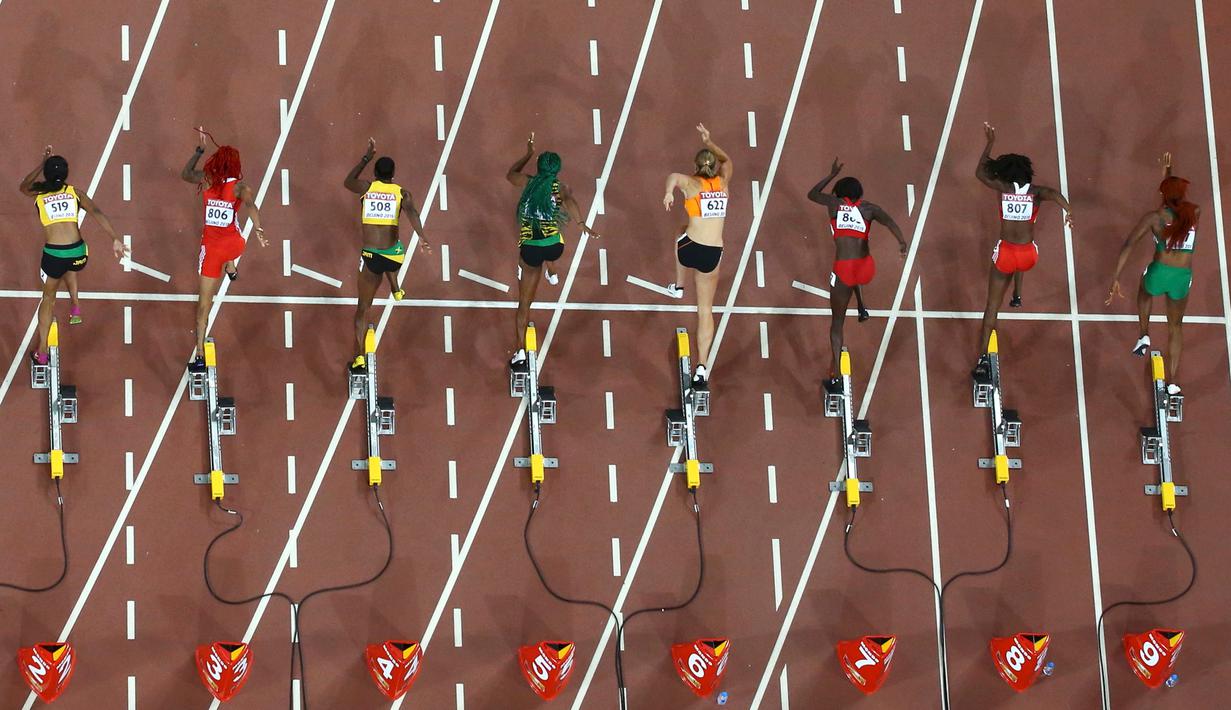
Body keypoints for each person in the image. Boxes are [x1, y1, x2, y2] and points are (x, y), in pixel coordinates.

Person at [972, 122, 1073, 378]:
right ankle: (1017, 295)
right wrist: (1069, 211)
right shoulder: (1037, 193)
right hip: (1028, 255)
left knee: (991, 308)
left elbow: (980, 173)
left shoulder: (1003, 188)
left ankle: (982, 359)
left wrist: (990, 143)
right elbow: (1054, 193)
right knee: (1021, 260)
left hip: (1006, 253)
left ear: (1006, 175)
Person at [20, 146, 127, 363]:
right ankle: (75, 306)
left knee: (48, 298)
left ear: (47, 174)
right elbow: (97, 212)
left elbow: (23, 186)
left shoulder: (39, 193)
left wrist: (42, 163)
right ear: (66, 174)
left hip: (54, 255)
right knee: (71, 266)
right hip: (79, 253)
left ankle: (41, 352)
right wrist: (115, 238)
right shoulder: (75, 193)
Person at [806, 158, 908, 381]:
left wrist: (831, 175)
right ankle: (862, 306)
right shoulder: (870, 209)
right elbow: (891, 223)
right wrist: (902, 243)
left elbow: (812, 194)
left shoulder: (834, 205)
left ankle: (836, 375)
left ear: (839, 193)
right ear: (859, 194)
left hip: (844, 270)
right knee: (860, 259)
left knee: (837, 324)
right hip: (866, 268)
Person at [1106, 152, 1198, 395]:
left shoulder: (1154, 219)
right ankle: (1174, 382)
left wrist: (1115, 277)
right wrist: (1168, 173)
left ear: (1162, 196)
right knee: (1175, 327)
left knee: (1144, 289)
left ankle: (1144, 334)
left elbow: (1128, 245)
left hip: (1159, 273)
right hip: (1181, 278)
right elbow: (1175, 199)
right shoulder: (1194, 214)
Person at [506, 133, 600, 367]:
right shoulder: (560, 188)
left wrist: (527, 153)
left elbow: (510, 174)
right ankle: (553, 271)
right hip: (554, 247)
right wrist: (581, 224)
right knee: (556, 227)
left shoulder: (527, 183)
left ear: (538, 168)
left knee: (524, 304)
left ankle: (519, 352)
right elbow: (570, 202)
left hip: (530, 251)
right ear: (558, 170)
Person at [343, 138, 433, 372]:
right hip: (394, 255)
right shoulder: (402, 193)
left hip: (371, 256)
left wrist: (366, 157)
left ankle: (360, 357)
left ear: (375, 172)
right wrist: (422, 237)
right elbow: (413, 214)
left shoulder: (367, 187)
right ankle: (396, 288)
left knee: (363, 308)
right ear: (393, 174)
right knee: (394, 253)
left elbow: (348, 182)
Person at [181, 128, 268, 369]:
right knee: (234, 235)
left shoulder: (207, 180)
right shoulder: (241, 187)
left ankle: (199, 353)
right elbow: (252, 207)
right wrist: (259, 230)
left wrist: (198, 152)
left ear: (216, 163)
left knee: (204, 304)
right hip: (235, 244)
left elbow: (185, 174)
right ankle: (231, 266)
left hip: (212, 251)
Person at [662, 123, 732, 387]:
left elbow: (673, 176)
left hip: (689, 249)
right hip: (712, 255)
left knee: (680, 235)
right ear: (715, 167)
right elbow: (727, 159)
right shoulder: (724, 183)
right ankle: (702, 365)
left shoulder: (691, 184)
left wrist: (669, 193)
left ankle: (678, 286)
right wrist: (710, 140)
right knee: (705, 310)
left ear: (696, 166)